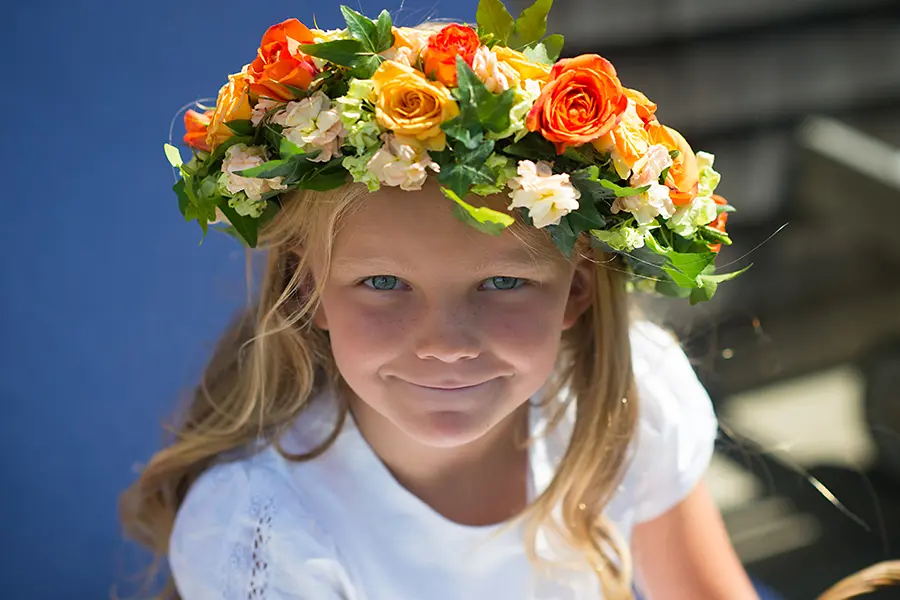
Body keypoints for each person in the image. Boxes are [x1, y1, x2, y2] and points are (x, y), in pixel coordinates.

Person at [121, 1, 758, 598]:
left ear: (579, 288)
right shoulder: (264, 526)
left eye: (503, 283)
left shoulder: (626, 401)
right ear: (308, 287)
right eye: (384, 284)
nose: (445, 344)